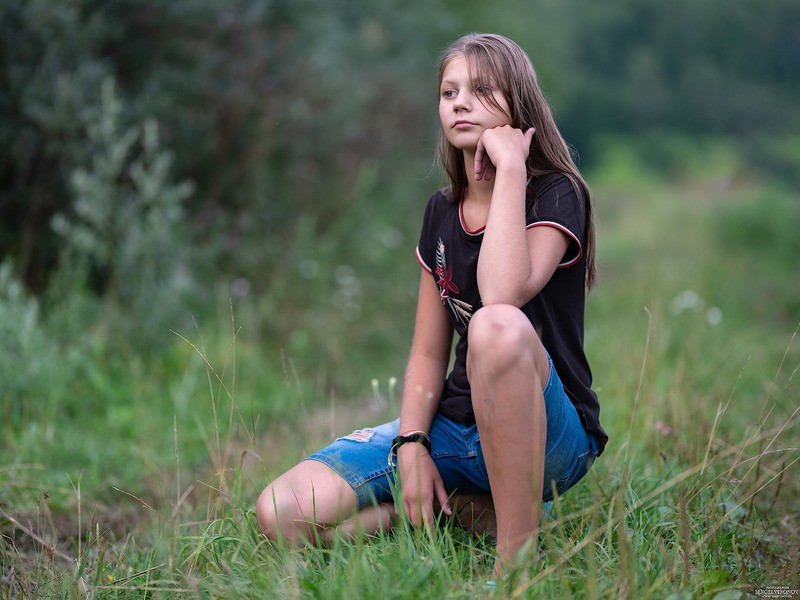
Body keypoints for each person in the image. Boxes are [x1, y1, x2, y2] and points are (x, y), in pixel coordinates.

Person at [256, 32, 608, 580]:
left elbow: (501, 294)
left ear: (520, 104)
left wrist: (511, 171)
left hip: (551, 439)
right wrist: (413, 443)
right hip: (454, 429)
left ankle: (515, 563)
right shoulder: (441, 211)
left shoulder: (555, 192)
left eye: (481, 89)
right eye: (449, 92)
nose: (460, 102)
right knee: (282, 512)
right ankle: (452, 515)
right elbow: (426, 353)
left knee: (497, 326)